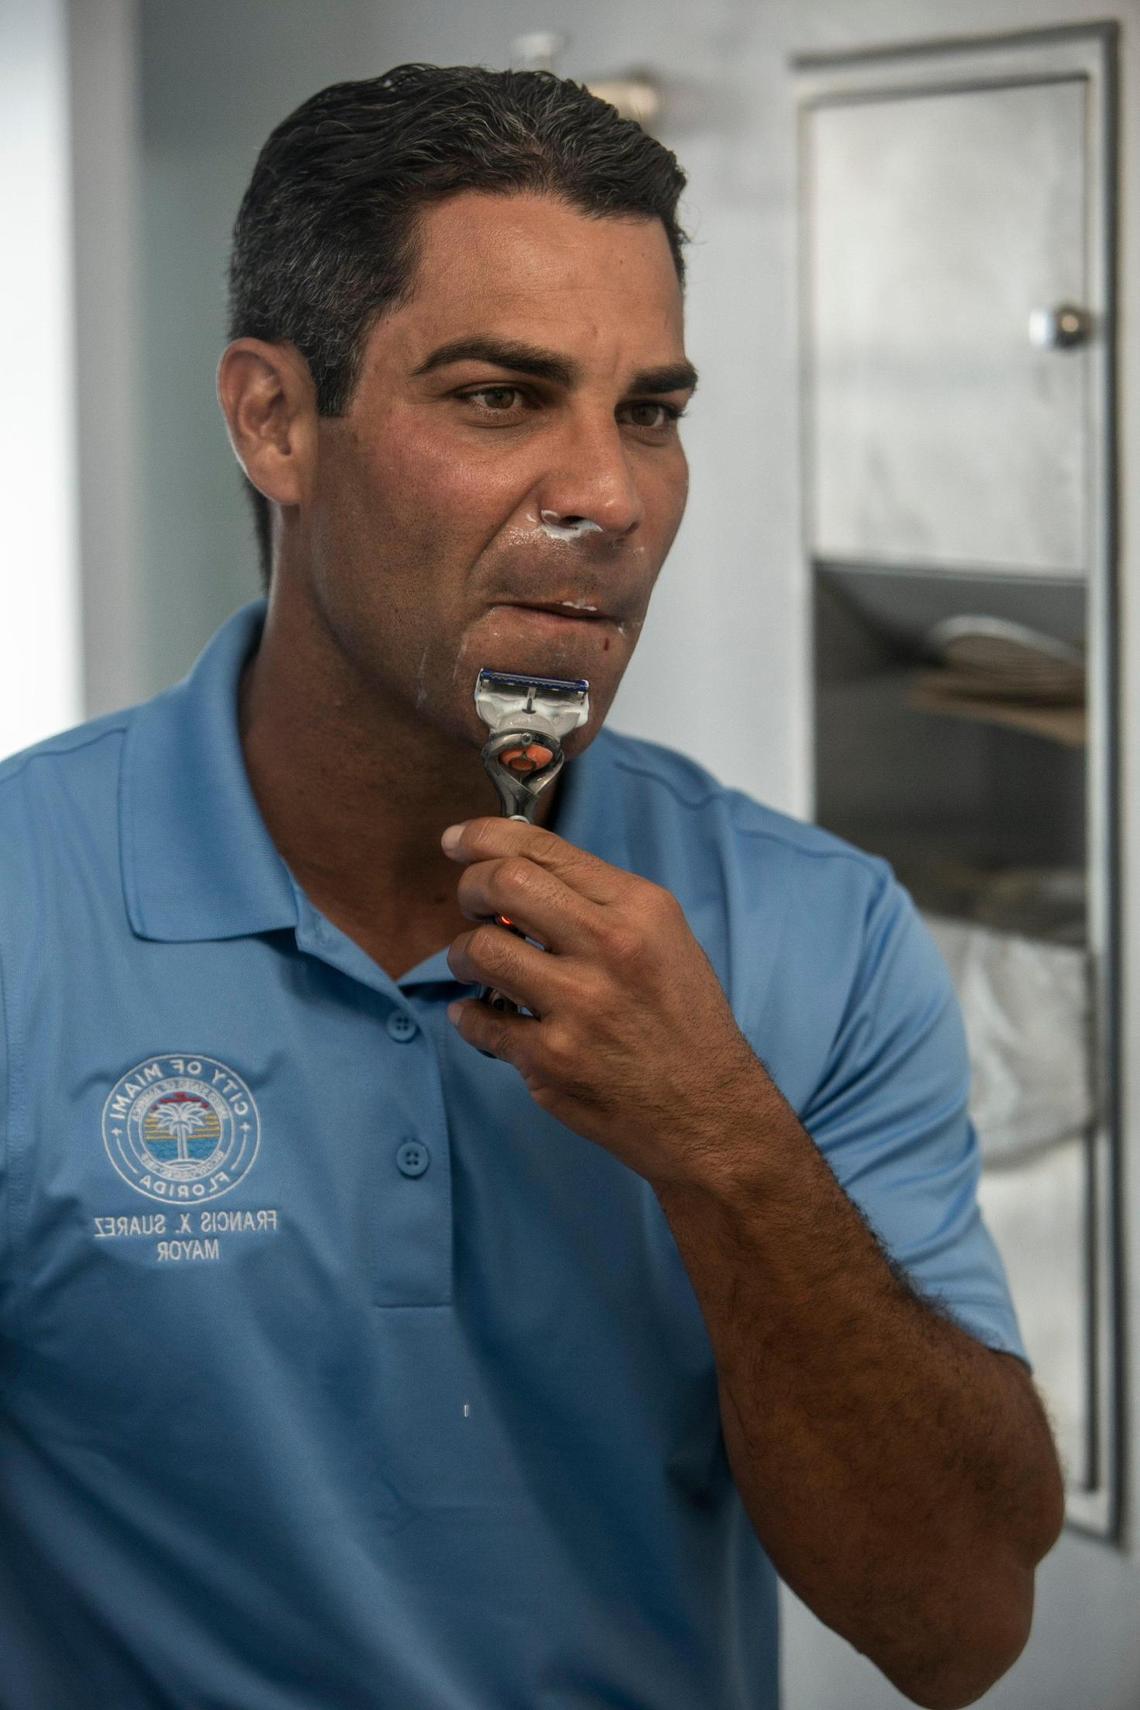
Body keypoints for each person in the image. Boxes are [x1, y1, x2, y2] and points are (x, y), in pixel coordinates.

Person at [0, 63, 1064, 1710]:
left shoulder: (814, 931)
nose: (610, 496)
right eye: (502, 396)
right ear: (274, 419)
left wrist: (730, 1149)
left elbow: (962, 1625)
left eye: (649, 411)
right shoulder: (22, 912)